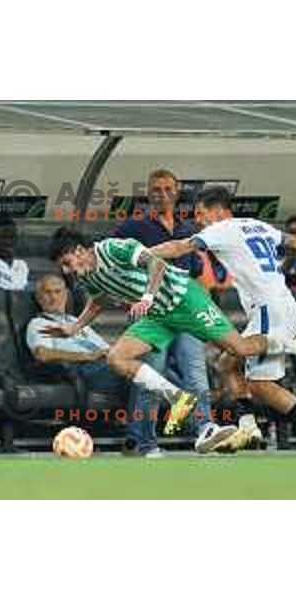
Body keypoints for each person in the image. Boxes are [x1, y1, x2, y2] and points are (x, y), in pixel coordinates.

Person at [43, 228, 296, 453]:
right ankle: (184, 405)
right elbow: (98, 300)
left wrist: (147, 297)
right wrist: (75, 328)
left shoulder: (111, 248)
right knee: (118, 358)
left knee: (237, 349)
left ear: (79, 251)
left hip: (184, 299)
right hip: (158, 317)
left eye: (67, 263)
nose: (67, 271)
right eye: (63, 267)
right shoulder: (87, 277)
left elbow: (156, 262)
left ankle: (295, 345)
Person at [151, 186, 296, 456]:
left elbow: (180, 247)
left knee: (260, 385)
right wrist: (282, 271)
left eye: (201, 214)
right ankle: (248, 425)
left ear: (218, 211)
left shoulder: (220, 230)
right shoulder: (255, 225)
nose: (199, 220)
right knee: (226, 363)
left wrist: (144, 253)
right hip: (284, 304)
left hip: (268, 311)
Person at [110, 168, 214, 442]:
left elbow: (195, 274)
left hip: (186, 313)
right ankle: (143, 440)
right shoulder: (132, 227)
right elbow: (114, 265)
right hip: (152, 315)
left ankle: (206, 431)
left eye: (168, 189)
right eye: (157, 189)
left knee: (196, 375)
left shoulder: (186, 229)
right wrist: (130, 299)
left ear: (177, 193)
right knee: (150, 377)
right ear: (148, 194)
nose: (163, 195)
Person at [26, 274, 161, 457]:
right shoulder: (38, 323)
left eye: (57, 292)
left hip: (107, 365)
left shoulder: (78, 323)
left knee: (150, 366)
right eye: (47, 292)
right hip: (84, 371)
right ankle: (138, 441)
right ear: (38, 297)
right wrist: (87, 356)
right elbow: (42, 354)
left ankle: (138, 441)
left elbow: (106, 349)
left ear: (66, 295)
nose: (53, 297)